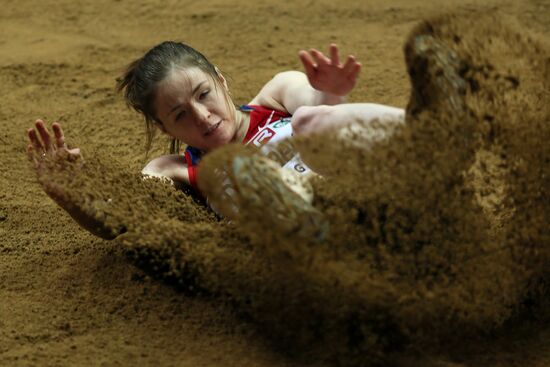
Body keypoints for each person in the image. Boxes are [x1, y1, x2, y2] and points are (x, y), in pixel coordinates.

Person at [26, 41, 405, 238]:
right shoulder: (174, 170)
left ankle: (426, 133)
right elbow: (121, 222)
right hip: (307, 233)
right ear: (164, 128)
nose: (202, 116)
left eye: (203, 94)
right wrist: (72, 195)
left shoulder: (277, 94)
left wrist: (331, 93)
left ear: (220, 80)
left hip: (362, 186)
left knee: (309, 119)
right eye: (180, 115)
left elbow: (329, 120)